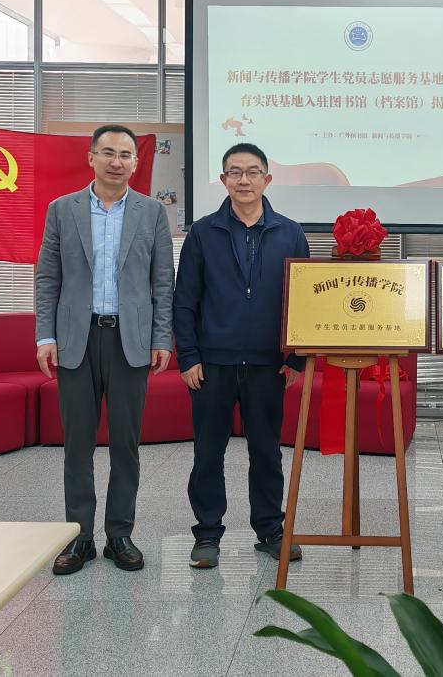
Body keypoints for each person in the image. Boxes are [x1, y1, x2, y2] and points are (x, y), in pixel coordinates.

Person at [35, 124, 174, 575]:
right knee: (77, 444)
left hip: (129, 341)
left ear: (136, 163)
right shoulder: (62, 210)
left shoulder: (152, 212)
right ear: (91, 157)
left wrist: (161, 337)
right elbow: (48, 278)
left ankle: (119, 534)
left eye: (125, 155)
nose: (117, 162)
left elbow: (162, 282)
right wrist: (45, 336)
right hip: (76, 339)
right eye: (108, 152)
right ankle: (79, 537)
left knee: (125, 444)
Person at [174, 142, 309, 569]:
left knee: (267, 452)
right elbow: (185, 299)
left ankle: (270, 529)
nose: (244, 180)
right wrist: (188, 356)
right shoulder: (203, 232)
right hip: (212, 363)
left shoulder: (290, 233)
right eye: (235, 172)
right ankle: (207, 533)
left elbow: (303, 301)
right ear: (223, 179)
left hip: (269, 364)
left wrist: (296, 358)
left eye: (253, 172)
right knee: (207, 453)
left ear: (267, 179)